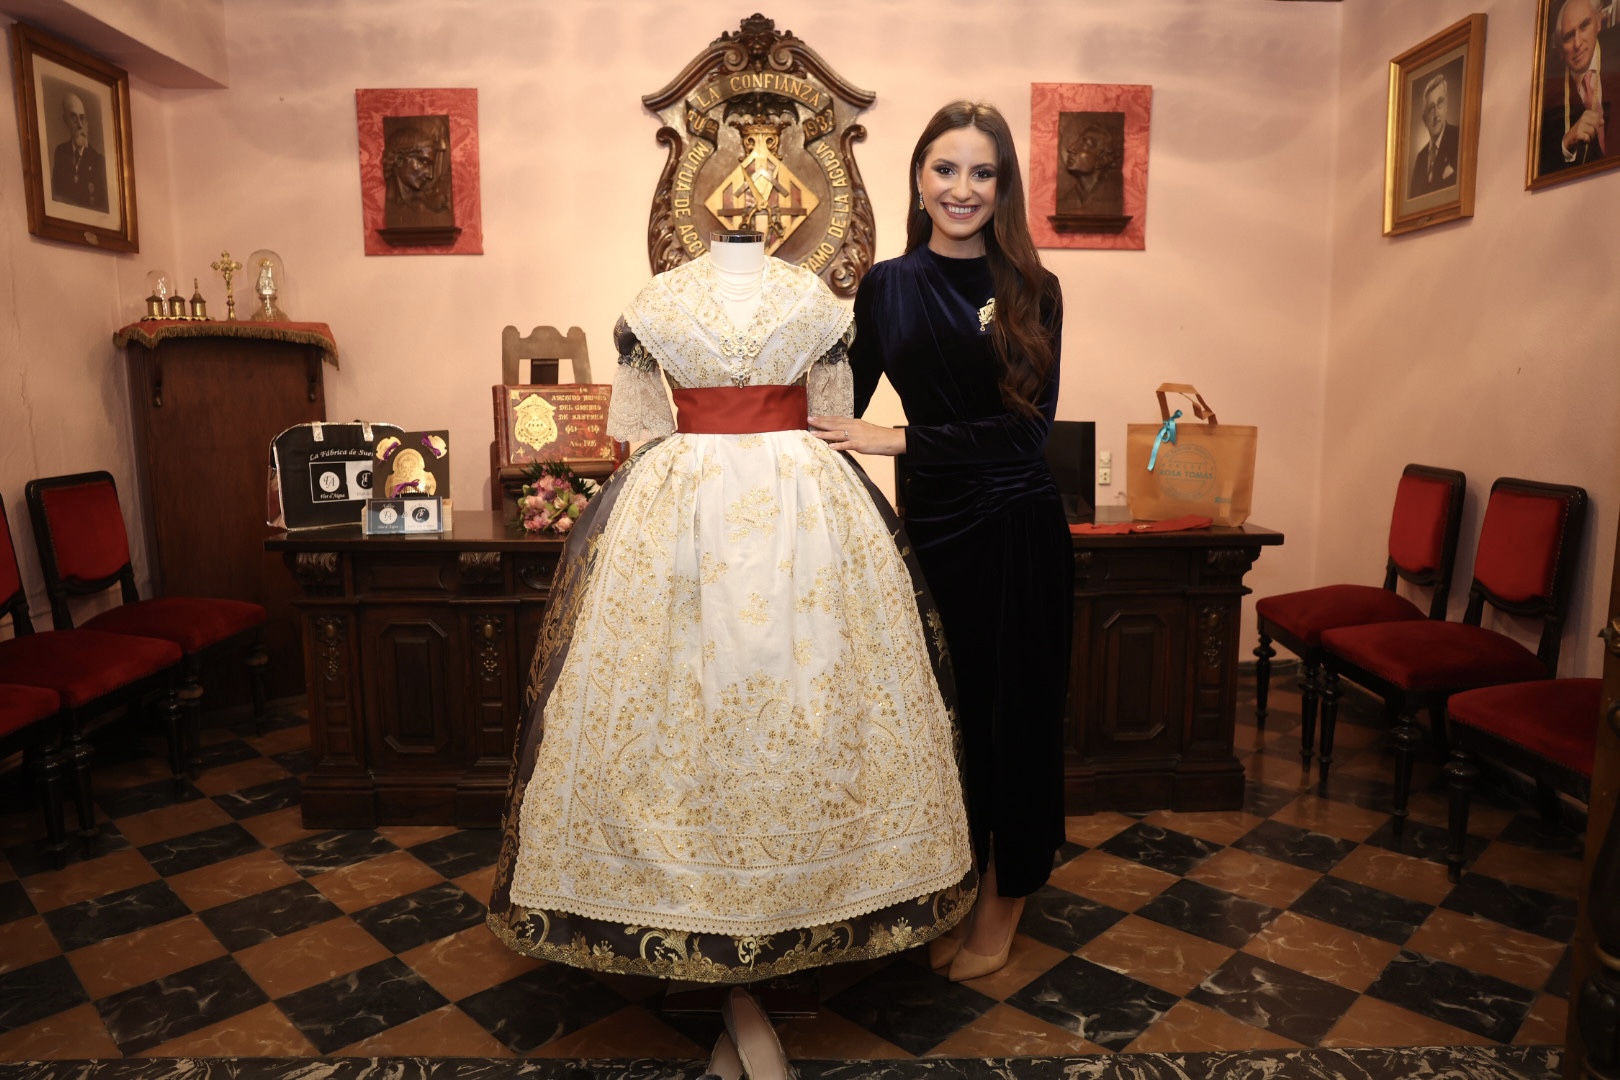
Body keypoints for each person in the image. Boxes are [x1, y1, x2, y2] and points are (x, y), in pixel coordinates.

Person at [487, 230, 974, 1076]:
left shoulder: (810, 302)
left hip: (790, 511)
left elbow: (753, 420)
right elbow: (656, 424)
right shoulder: (662, 304)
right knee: (678, 713)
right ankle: (729, 980)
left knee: (809, 705)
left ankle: (762, 961)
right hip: (710, 513)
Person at [810, 100, 1071, 983]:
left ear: (1004, 187)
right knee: (941, 725)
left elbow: (1026, 434)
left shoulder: (1033, 288)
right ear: (919, 178)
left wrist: (900, 438)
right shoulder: (885, 285)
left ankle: (1006, 895)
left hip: (1016, 531)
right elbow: (834, 405)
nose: (963, 189)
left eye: (983, 172)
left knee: (1012, 722)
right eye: (946, 168)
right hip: (931, 535)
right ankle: (951, 886)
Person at [1540, 0, 1620, 173]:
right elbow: (1542, 166)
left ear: (1598, 22)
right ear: (1560, 50)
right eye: (1568, 36)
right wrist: (1566, 143)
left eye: (1584, 26)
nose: (1577, 43)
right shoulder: (1547, 92)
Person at [50, 91, 109, 211]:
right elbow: (55, 196)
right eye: (73, 118)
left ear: (87, 122)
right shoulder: (60, 153)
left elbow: (102, 208)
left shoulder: (99, 161)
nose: (80, 125)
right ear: (65, 120)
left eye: (82, 118)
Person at [1409, 73, 1459, 197]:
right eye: (1431, 108)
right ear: (1424, 119)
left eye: (1440, 102)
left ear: (1446, 105)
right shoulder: (1420, 158)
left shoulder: (1459, 138)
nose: (1436, 114)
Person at [1060, 119, 1124, 215]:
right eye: (1077, 141)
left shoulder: (1114, 198)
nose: (1071, 148)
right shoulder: (1066, 200)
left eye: (1086, 143)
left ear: (1102, 159)